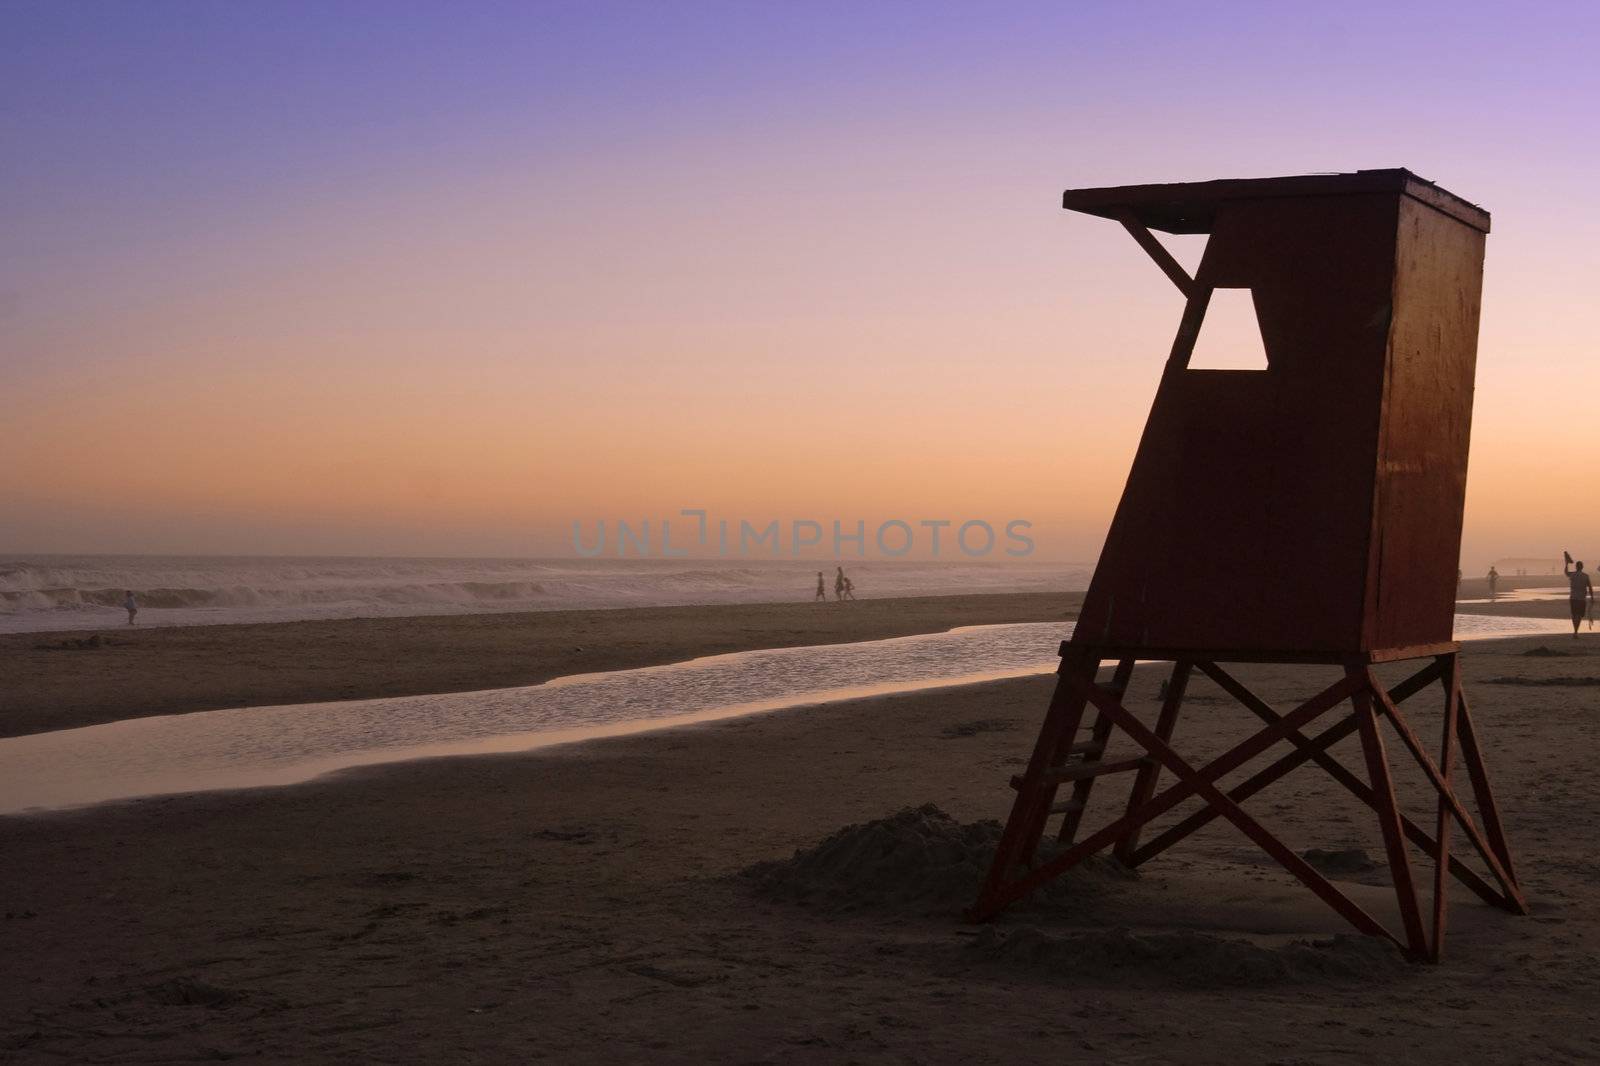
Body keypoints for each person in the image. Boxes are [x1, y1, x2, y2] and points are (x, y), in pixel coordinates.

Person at [1564, 552, 1593, 637]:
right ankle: (1576, 631)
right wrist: (1591, 597)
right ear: (1582, 567)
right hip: (1581, 599)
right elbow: (1590, 587)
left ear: (1576, 567)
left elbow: (1566, 572)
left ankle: (1575, 631)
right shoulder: (1585, 576)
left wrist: (1566, 564)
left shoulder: (1572, 575)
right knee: (1579, 615)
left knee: (1574, 615)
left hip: (1573, 598)